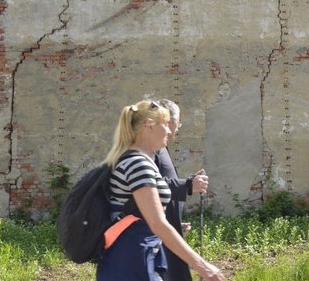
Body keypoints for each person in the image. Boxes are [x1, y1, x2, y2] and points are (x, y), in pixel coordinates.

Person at [96, 99, 225, 281]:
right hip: (130, 261)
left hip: (141, 255)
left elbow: (145, 214)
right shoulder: (138, 164)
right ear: (149, 126)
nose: (171, 130)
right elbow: (157, 223)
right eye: (165, 124)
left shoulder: (141, 160)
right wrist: (203, 267)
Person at [154, 99, 208, 281]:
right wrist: (188, 185)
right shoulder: (151, 149)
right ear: (169, 122)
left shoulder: (160, 149)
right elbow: (150, 185)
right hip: (154, 237)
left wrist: (175, 223)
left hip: (164, 230)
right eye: (178, 123)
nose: (177, 129)